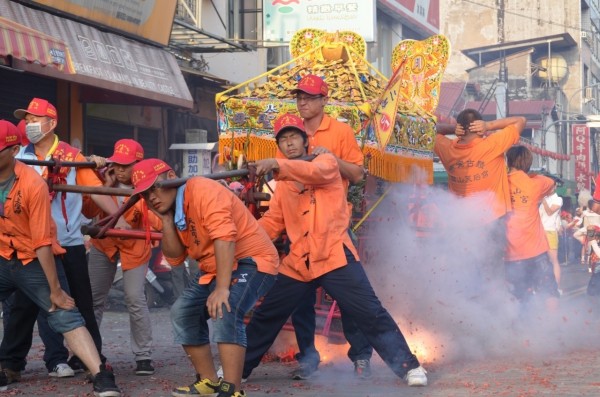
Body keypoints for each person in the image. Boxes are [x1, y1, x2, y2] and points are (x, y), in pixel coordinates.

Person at [242, 113, 428, 387]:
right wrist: (243, 241)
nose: (289, 144)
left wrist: (277, 164)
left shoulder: (326, 161)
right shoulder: (282, 184)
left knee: (370, 311)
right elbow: (273, 222)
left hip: (334, 256)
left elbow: (314, 172)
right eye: (283, 140)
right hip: (299, 263)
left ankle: (408, 366)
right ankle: (239, 368)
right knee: (267, 314)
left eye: (294, 137)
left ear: (306, 141)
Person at [130, 158, 279, 397]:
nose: (152, 198)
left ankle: (232, 390)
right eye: (145, 195)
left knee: (225, 308)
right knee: (182, 312)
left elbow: (224, 237)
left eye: (154, 188)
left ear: (171, 178)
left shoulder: (202, 189)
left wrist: (222, 289)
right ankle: (209, 381)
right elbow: (176, 257)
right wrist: (167, 221)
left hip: (252, 260)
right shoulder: (165, 209)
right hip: (213, 268)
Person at [0, 98, 121, 379]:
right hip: (27, 246)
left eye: (35, 119)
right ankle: (12, 363)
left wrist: (117, 218)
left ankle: (93, 362)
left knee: (78, 303)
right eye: (27, 120)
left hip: (67, 244)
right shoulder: (18, 155)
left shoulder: (74, 157)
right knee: (22, 307)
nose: (30, 125)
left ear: (51, 123)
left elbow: (99, 194)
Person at [286, 74, 372, 380]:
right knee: (299, 298)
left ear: (324, 100)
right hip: (300, 228)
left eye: (309, 97)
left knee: (350, 297)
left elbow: (358, 174)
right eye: (299, 97)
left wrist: (332, 159)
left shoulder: (340, 131)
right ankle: (308, 358)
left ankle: (361, 356)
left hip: (334, 228)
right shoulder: (291, 131)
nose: (303, 102)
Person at [86, 139, 157, 375]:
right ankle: (87, 353)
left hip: (135, 246)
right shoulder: (104, 182)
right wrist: (104, 185)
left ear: (140, 164)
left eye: (128, 165)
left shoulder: (150, 186)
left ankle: (143, 356)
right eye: (117, 164)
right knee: (94, 299)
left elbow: (155, 220)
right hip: (104, 244)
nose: (121, 170)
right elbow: (88, 211)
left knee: (135, 298)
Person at [434, 109, 526, 287]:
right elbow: (521, 119)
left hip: (462, 224)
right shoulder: (492, 144)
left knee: (466, 273)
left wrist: (453, 129)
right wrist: (489, 126)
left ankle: (468, 310)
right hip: (492, 222)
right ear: (479, 127)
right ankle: (493, 309)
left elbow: (428, 130)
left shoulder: (446, 148)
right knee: (492, 275)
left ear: (461, 128)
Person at [504, 146, 559, 309]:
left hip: (509, 253)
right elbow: (551, 183)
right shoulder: (535, 183)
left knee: (519, 296)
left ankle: (520, 330)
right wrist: (532, 175)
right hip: (536, 251)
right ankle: (555, 327)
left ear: (508, 161)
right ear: (528, 163)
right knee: (549, 291)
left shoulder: (500, 183)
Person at [539, 188, 563, 292]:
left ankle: (556, 287)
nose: (547, 188)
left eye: (550, 186)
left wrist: (543, 201)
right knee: (540, 260)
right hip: (540, 232)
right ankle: (542, 286)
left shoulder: (558, 199)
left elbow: (549, 212)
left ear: (554, 187)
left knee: (553, 260)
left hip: (550, 231)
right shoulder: (544, 199)